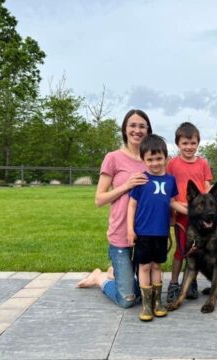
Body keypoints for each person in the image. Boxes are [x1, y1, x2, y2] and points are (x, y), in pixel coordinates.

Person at [77, 109, 152, 309]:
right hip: (121, 234)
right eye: (133, 125)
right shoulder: (113, 158)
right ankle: (101, 278)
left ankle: (117, 271)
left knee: (146, 292)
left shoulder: (153, 159)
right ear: (125, 129)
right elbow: (99, 199)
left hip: (145, 234)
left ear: (148, 130)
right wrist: (126, 185)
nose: (137, 130)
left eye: (142, 126)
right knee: (128, 299)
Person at [127, 134, 187, 321]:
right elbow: (132, 205)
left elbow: (172, 203)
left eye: (158, 158)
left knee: (157, 265)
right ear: (143, 160)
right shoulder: (141, 180)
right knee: (144, 266)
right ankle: (146, 306)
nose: (154, 163)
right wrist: (130, 229)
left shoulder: (170, 181)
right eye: (150, 159)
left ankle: (157, 302)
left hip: (161, 232)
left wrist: (190, 210)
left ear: (166, 158)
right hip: (143, 232)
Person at [165, 122, 213, 304]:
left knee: (197, 250)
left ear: (198, 143)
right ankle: (175, 283)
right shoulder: (172, 164)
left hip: (200, 217)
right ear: (178, 144)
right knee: (181, 250)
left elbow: (207, 186)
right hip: (182, 215)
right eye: (185, 143)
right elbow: (170, 191)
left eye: (193, 143)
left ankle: (191, 281)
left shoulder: (203, 163)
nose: (189, 147)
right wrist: (173, 212)